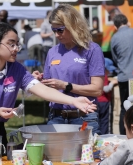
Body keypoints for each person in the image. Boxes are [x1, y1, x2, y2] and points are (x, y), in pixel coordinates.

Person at [0, 22, 96, 154]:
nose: (16, 49)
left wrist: (74, 101)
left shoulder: (17, 69)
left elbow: (44, 90)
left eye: (17, 44)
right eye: (11, 44)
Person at [33, 4, 105, 135]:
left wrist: (66, 86)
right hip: (56, 117)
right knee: (54, 155)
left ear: (73, 25)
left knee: (86, 155)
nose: (56, 35)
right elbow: (49, 88)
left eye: (60, 30)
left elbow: (97, 89)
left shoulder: (91, 50)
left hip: (84, 117)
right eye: (53, 30)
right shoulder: (52, 52)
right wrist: (39, 81)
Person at [110, 14, 133, 135]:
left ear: (115, 26)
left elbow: (115, 59)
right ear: (127, 22)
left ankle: (123, 135)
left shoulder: (114, 38)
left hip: (124, 77)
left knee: (124, 107)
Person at [97, 58, 118, 134]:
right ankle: (105, 136)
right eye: (109, 69)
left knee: (98, 120)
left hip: (97, 101)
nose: (110, 72)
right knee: (105, 121)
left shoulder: (96, 75)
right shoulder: (103, 76)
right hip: (104, 101)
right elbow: (105, 89)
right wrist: (112, 83)